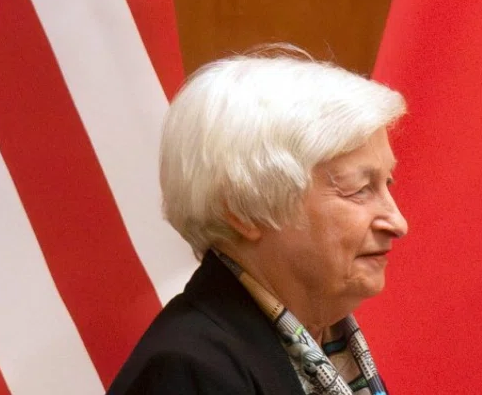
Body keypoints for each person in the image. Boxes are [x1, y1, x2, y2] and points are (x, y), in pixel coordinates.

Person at [107, 45, 409, 395]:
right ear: (243, 208)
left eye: (386, 184)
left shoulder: (324, 341)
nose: (398, 222)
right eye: (360, 189)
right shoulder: (188, 375)